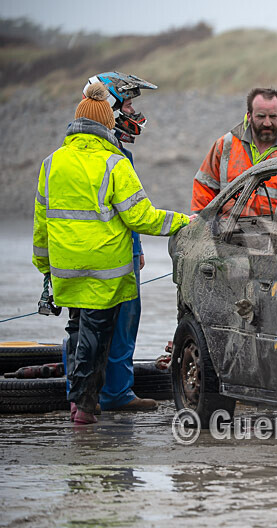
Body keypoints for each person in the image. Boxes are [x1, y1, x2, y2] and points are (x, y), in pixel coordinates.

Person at [32, 82, 191, 424]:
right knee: (95, 337)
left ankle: (77, 403)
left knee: (76, 331)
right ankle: (85, 408)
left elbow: (41, 223)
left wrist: (45, 267)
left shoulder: (51, 163)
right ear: (108, 123)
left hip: (65, 269)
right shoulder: (114, 163)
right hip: (105, 272)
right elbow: (141, 216)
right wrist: (183, 221)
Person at [75, 72, 158, 412]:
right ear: (111, 107)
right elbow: (133, 211)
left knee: (83, 327)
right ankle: (114, 394)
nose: (134, 111)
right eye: (129, 104)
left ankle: (85, 397)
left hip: (80, 254)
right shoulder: (115, 156)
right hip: (113, 254)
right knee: (121, 321)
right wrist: (137, 248)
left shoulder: (76, 153)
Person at [192, 88, 277, 213]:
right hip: (228, 230)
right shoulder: (226, 145)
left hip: (276, 231)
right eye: (261, 117)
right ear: (249, 116)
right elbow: (204, 187)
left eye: (273, 116)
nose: (267, 123)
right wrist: (203, 223)